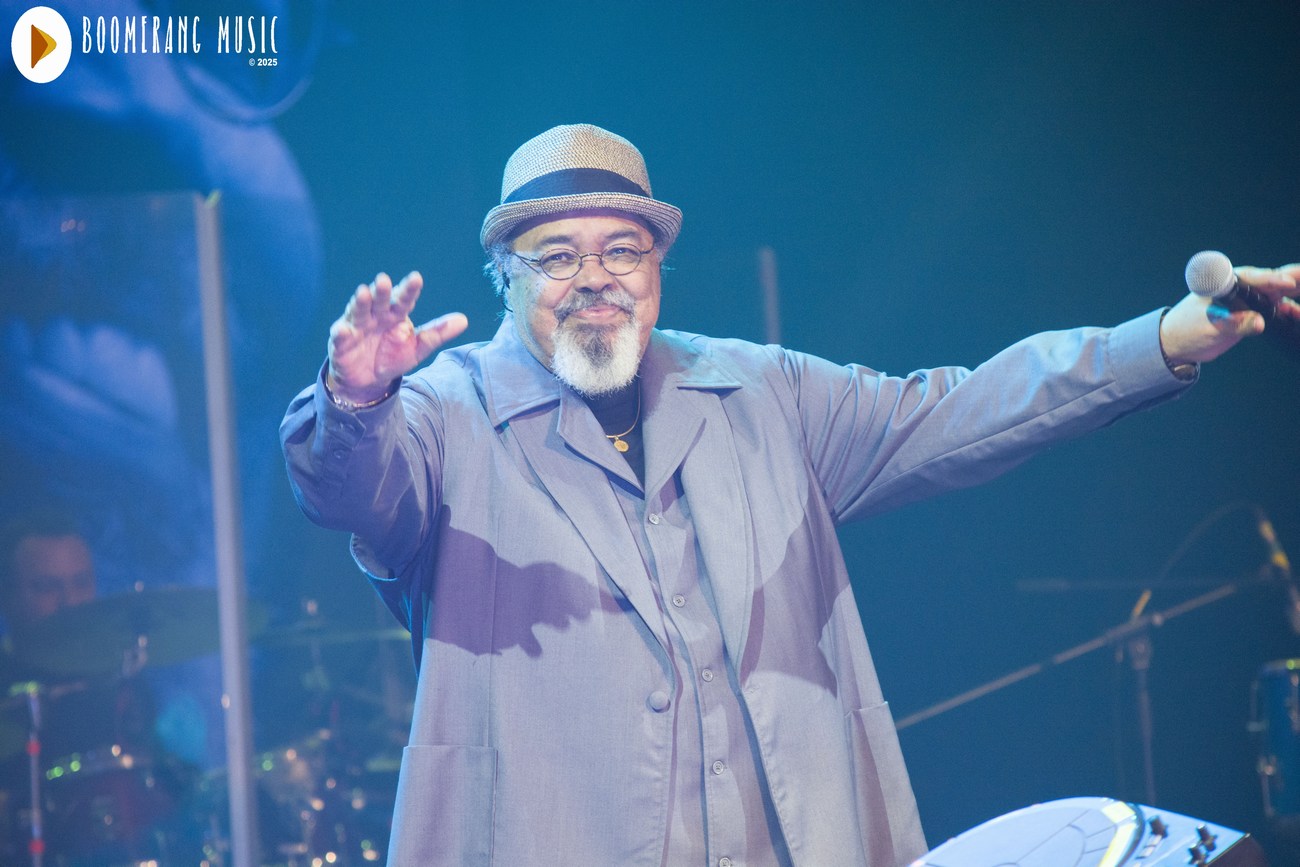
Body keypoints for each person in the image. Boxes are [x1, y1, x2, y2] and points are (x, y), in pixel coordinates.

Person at [280, 124, 1300, 867]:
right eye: (556, 256)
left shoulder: (757, 389)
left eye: (622, 249)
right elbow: (349, 484)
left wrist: (1162, 338)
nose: (594, 277)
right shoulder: (444, 416)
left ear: (657, 267)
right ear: (502, 278)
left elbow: (963, 411)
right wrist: (354, 398)